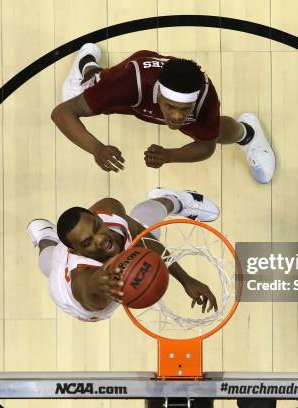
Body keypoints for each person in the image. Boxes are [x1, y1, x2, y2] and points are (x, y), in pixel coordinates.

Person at [51, 43, 276, 184]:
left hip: (151, 95)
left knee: (213, 130)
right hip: (133, 91)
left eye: (184, 108)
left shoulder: (205, 98)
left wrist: (169, 155)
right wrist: (97, 148)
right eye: (170, 107)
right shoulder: (127, 85)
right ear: (158, 94)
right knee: (90, 88)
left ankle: (248, 133)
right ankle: (86, 61)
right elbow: (62, 114)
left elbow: (206, 147)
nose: (177, 117)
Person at [27, 187, 220, 322]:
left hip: (108, 255)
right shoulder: (81, 278)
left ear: (97, 216)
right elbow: (88, 292)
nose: (100, 239)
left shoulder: (109, 209)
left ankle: (176, 200)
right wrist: (99, 282)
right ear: (76, 250)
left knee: (144, 225)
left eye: (96, 227)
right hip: (74, 291)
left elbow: (144, 238)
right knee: (49, 262)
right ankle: (45, 235)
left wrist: (186, 279)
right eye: (88, 242)